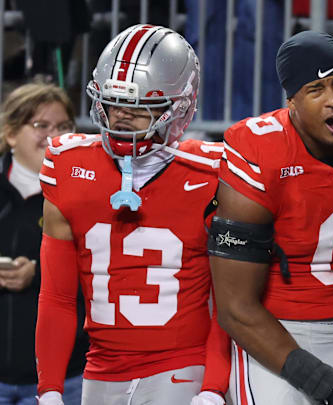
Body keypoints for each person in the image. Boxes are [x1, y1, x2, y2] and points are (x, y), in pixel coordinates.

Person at [35, 25, 229, 405]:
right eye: (113, 102)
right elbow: (56, 296)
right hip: (99, 370)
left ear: (180, 107)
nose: (122, 116)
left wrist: (213, 388)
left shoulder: (212, 174)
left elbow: (229, 301)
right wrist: (50, 389)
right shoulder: (68, 165)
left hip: (180, 366)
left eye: (141, 106)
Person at [208, 31, 333, 405]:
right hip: (273, 340)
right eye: (315, 89)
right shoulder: (259, 150)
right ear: (292, 101)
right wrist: (320, 382)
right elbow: (235, 308)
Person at [0, 83, 88, 405]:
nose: (54, 135)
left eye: (64, 126)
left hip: (66, 381)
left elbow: (104, 272)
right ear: (11, 134)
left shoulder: (83, 197)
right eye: (41, 125)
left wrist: (39, 274)